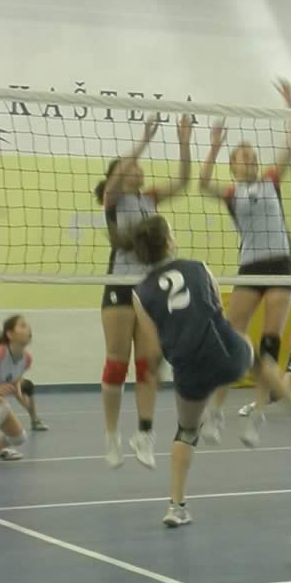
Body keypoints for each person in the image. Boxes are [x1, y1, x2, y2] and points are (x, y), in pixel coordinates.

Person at [130, 215, 291, 526]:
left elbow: (152, 346)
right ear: (170, 242)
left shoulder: (139, 293)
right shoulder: (199, 267)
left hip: (187, 368)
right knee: (253, 355)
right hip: (226, 355)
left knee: (186, 431)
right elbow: (217, 311)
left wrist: (156, 375)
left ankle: (176, 507)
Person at [199, 79, 291, 447]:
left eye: (252, 155)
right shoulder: (231, 193)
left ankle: (258, 416)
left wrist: (290, 103)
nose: (249, 159)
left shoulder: (270, 181)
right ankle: (215, 411)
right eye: (242, 157)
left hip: (280, 267)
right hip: (250, 267)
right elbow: (202, 182)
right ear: (233, 166)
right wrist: (214, 146)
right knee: (232, 339)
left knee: (269, 344)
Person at [95, 114, 192, 469]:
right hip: (121, 286)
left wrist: (184, 141)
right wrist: (143, 140)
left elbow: (183, 180)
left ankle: (144, 434)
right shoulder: (114, 199)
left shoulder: (149, 199)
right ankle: (111, 435)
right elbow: (116, 180)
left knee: (150, 362)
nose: (139, 169)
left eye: (140, 166)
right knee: (116, 363)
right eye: (131, 167)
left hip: (151, 288)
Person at [0, 315, 41, 464]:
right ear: (10, 334)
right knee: (1, 408)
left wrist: (23, 400)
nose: (28, 328)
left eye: (27, 326)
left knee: (19, 437)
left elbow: (15, 382)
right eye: (22, 325)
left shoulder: (26, 359)